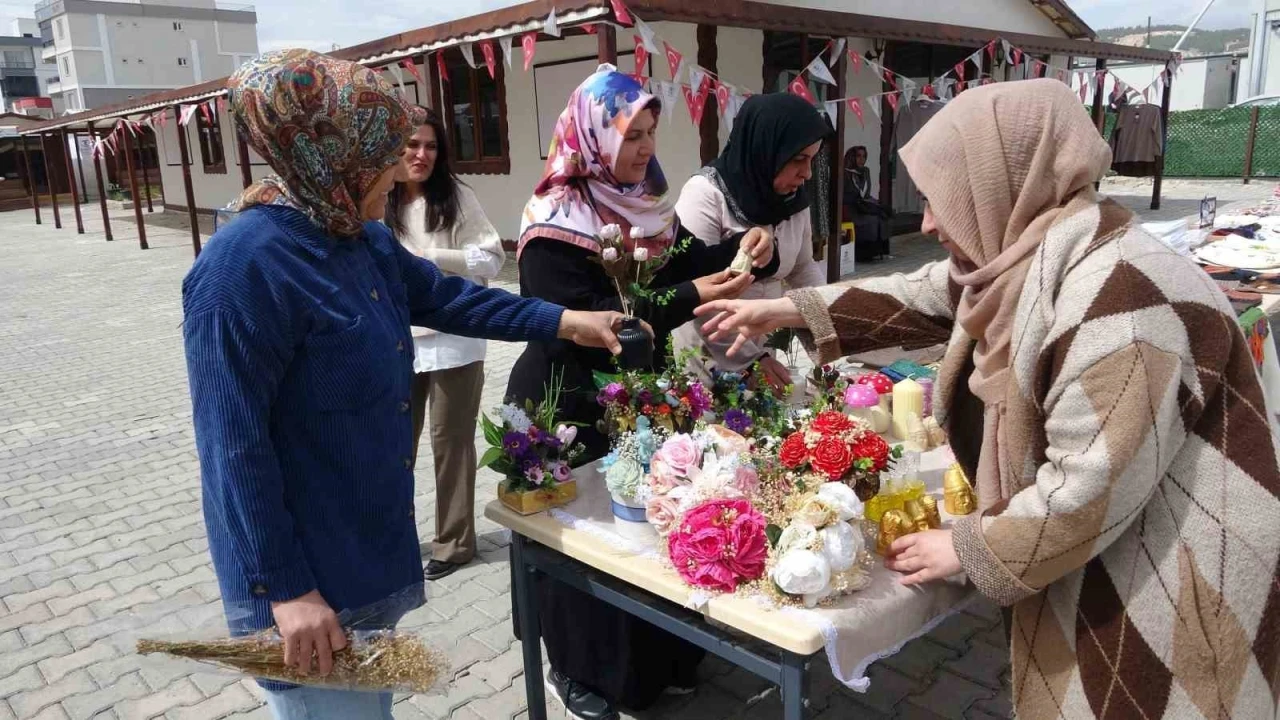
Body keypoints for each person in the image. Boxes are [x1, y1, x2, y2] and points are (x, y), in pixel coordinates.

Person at [696, 79, 1280, 719]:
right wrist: (784, 311)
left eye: (940, 200)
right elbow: (925, 293)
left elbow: (1088, 488)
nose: (924, 223)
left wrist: (972, 548)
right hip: (1130, 550)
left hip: (1181, 586)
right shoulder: (1040, 248)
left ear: (1002, 184)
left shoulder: (1123, 302)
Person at [183, 49, 630, 720]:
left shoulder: (358, 237)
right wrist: (286, 592)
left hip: (365, 550)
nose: (397, 169)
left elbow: (452, 299)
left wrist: (566, 320)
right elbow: (232, 451)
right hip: (310, 589)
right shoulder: (240, 271)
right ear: (328, 152)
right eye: (381, 153)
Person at [506, 65, 777, 720]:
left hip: (638, 397)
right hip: (561, 408)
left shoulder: (644, 202)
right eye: (632, 135)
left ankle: (654, 666)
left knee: (648, 529)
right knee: (575, 546)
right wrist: (685, 299)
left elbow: (685, 262)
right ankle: (578, 674)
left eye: (651, 133)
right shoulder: (553, 221)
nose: (645, 149)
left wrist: (742, 249)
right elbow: (584, 325)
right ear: (592, 134)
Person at [386, 107, 503, 581]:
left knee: (450, 443)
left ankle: (454, 543)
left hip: (455, 337)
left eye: (430, 146)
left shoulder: (456, 196)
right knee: (396, 445)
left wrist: (431, 258)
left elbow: (491, 259)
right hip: (397, 340)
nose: (420, 154)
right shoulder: (382, 197)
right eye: (412, 145)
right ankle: (392, 540)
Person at [673, 92, 830, 388]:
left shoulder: (792, 201)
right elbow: (697, 292)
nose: (807, 173)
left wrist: (829, 322)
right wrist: (750, 360)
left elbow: (803, 268)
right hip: (710, 352)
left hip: (759, 346)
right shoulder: (705, 195)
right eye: (798, 159)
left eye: (812, 160)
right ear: (765, 150)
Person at [841, 145, 891, 261]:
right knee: (871, 220)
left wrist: (872, 203)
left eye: (864, 156)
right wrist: (858, 201)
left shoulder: (865, 171)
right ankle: (863, 254)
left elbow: (866, 193)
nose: (861, 159)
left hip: (862, 205)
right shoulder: (844, 173)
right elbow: (843, 195)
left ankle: (878, 251)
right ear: (851, 157)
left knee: (883, 215)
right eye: (858, 156)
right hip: (850, 207)